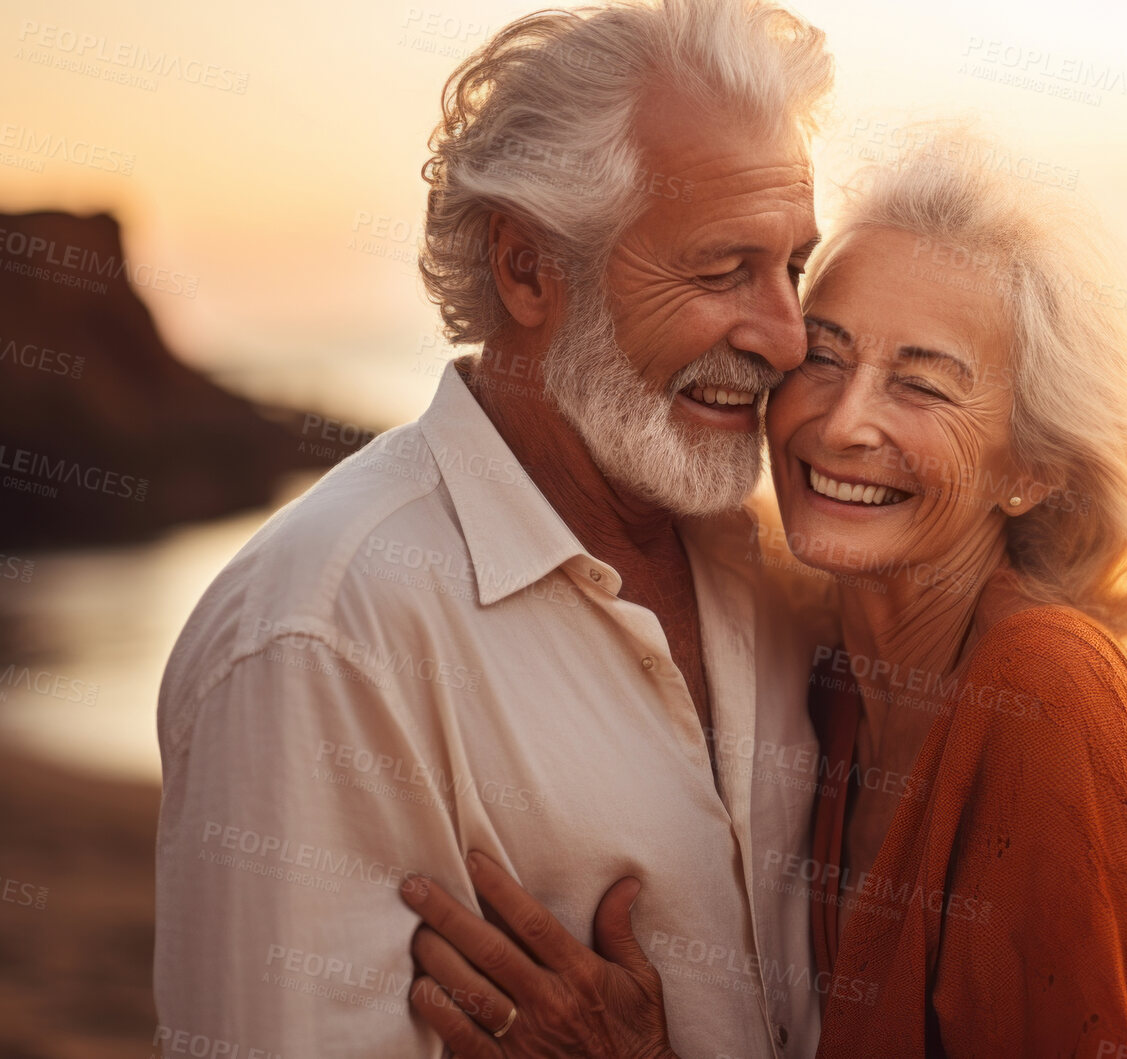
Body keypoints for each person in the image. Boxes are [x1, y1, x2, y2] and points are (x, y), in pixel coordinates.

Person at [400, 123, 1127, 1058]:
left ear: (1030, 466)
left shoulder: (1045, 696)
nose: (842, 424)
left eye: (921, 386)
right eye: (823, 358)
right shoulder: (824, 680)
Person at [155, 3, 835, 1055]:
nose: (784, 337)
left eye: (791, 267)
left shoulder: (783, 571)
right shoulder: (317, 637)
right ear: (526, 269)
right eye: (719, 272)